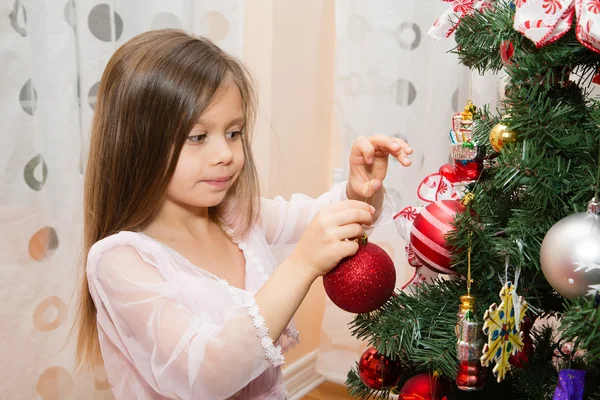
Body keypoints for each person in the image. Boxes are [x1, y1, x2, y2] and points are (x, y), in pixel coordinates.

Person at [73, 29, 413, 400]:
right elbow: (205, 377)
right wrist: (301, 265)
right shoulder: (119, 261)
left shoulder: (234, 216)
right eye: (198, 137)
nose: (225, 154)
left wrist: (358, 190)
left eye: (233, 133)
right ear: (138, 143)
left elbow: (325, 216)